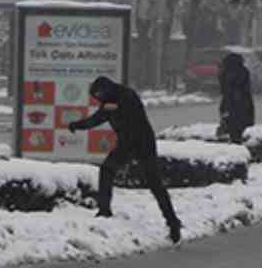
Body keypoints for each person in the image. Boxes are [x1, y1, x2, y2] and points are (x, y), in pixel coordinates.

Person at [68, 75, 182, 244]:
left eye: (99, 95)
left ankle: (173, 222)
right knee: (106, 169)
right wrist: (77, 125)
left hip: (143, 142)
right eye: (96, 97)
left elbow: (130, 113)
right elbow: (97, 119)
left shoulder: (126, 94)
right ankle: (104, 210)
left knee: (155, 183)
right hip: (125, 143)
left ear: (106, 89)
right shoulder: (107, 103)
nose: (99, 99)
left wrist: (114, 107)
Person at [218, 52, 254, 144]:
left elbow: (224, 90)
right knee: (242, 129)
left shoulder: (224, 72)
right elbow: (246, 89)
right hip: (243, 104)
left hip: (229, 104)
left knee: (231, 128)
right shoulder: (243, 71)